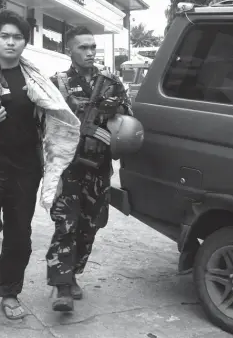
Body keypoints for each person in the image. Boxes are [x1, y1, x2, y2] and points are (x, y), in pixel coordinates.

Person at [0, 10, 80, 335]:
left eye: (17, 37)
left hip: (25, 169)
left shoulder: (37, 80)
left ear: (25, 41)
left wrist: (56, 163)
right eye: (5, 36)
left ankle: (9, 292)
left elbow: (54, 123)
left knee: (18, 237)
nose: (11, 41)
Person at [46, 26, 132, 312]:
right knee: (66, 224)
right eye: (83, 47)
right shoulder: (57, 83)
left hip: (99, 168)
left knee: (90, 226)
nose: (90, 52)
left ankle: (73, 273)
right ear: (69, 49)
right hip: (69, 167)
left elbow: (128, 119)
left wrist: (113, 124)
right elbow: (43, 124)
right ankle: (62, 285)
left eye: (93, 47)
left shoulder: (111, 82)